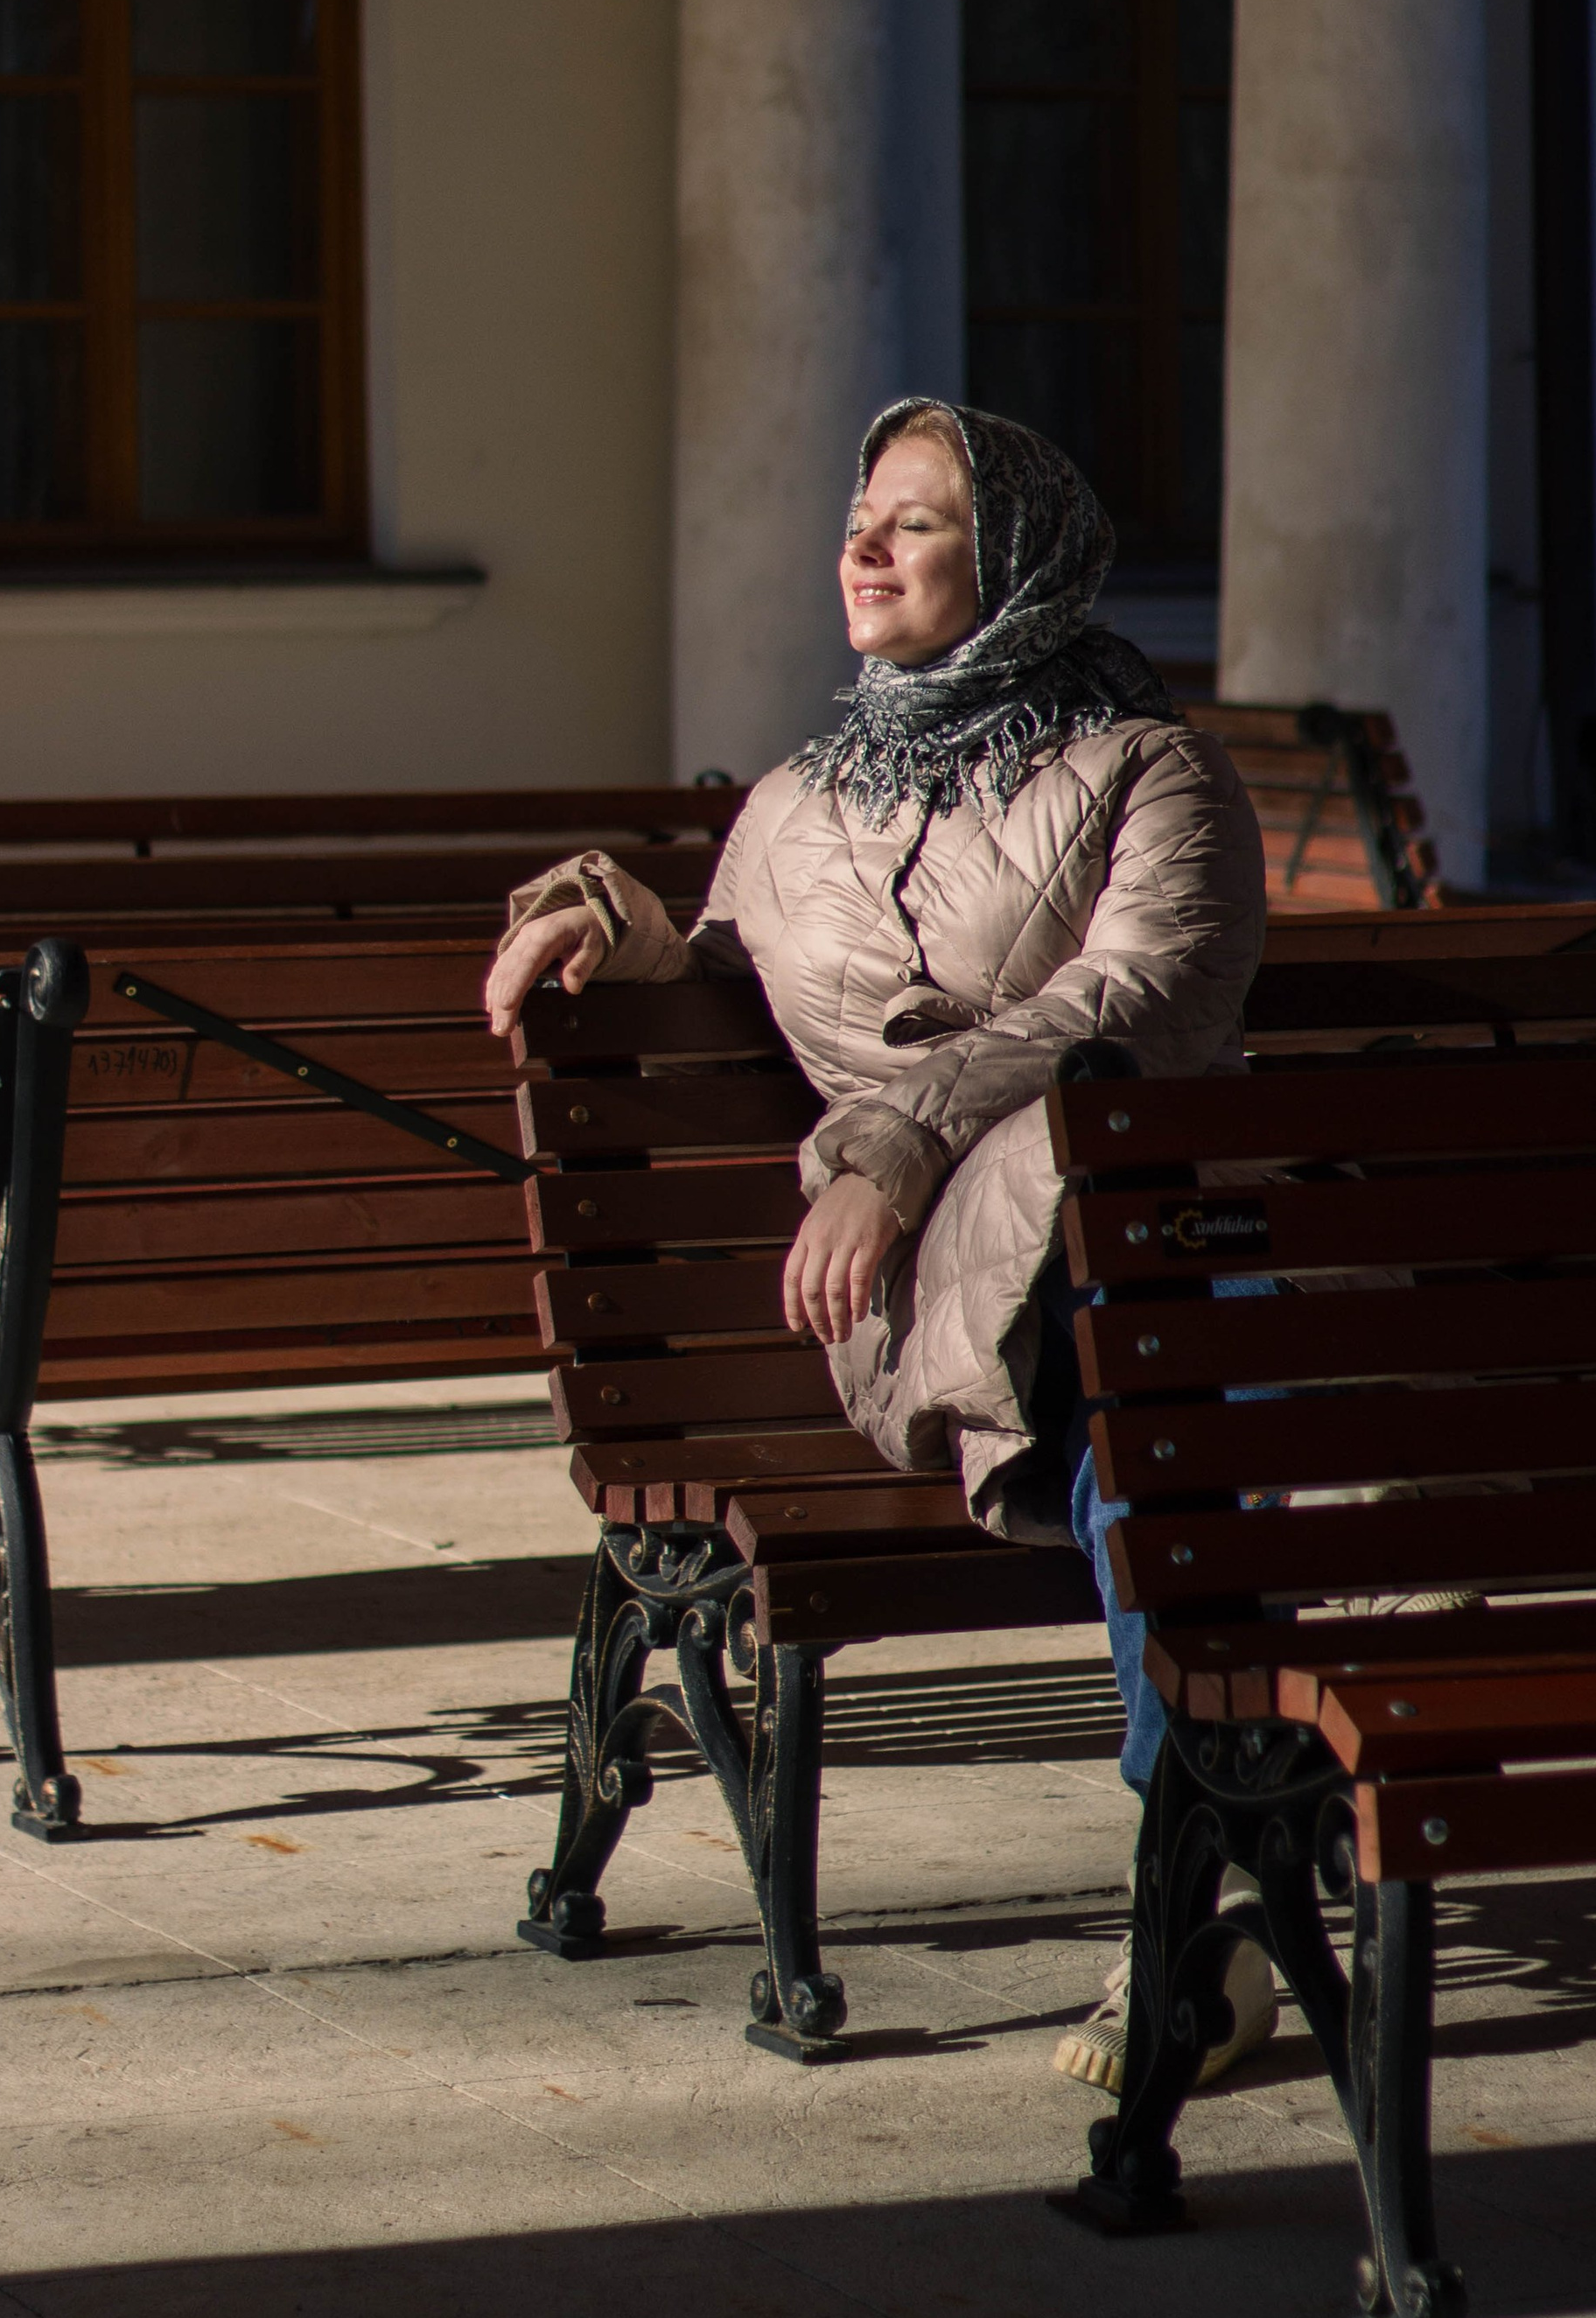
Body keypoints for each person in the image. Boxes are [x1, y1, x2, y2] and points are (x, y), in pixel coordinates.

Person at [486, 396, 1277, 2093]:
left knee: (1150, 1418)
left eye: (912, 520)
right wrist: (596, 921)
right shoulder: (792, 805)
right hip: (919, 1296)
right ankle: (1217, 1872)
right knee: (1168, 1426)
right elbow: (718, 967)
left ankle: (1191, 1888)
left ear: (1016, 562)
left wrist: (902, 1140)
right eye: (861, 512)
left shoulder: (1150, 770)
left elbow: (1133, 1002)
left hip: (1120, 1234)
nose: (859, 546)